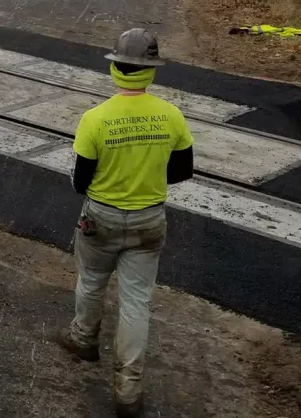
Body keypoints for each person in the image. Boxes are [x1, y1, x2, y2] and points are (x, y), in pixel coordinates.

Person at [58, 28, 194, 418]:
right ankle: (129, 391)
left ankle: (84, 340)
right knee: (137, 302)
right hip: (150, 221)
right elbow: (182, 170)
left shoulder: (95, 119)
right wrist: (146, 177)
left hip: (100, 218)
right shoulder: (171, 115)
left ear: (116, 67)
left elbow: (81, 180)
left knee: (91, 281)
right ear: (151, 70)